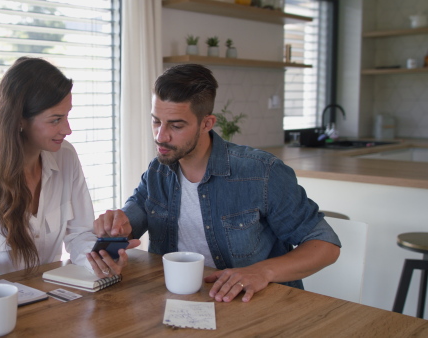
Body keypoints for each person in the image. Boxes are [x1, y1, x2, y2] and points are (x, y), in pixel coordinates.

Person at [94, 64, 341, 303]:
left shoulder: (261, 172)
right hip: (181, 303)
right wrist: (115, 228)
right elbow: (132, 217)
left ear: (207, 124)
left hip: (256, 306)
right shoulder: (158, 171)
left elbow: (325, 245)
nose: (161, 136)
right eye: (156, 121)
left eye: (176, 125)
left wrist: (263, 272)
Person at [0, 57, 139, 288]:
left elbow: (79, 235)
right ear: (20, 120)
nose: (67, 129)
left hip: (48, 300)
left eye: (67, 116)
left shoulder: (66, 157)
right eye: (56, 120)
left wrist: (101, 259)